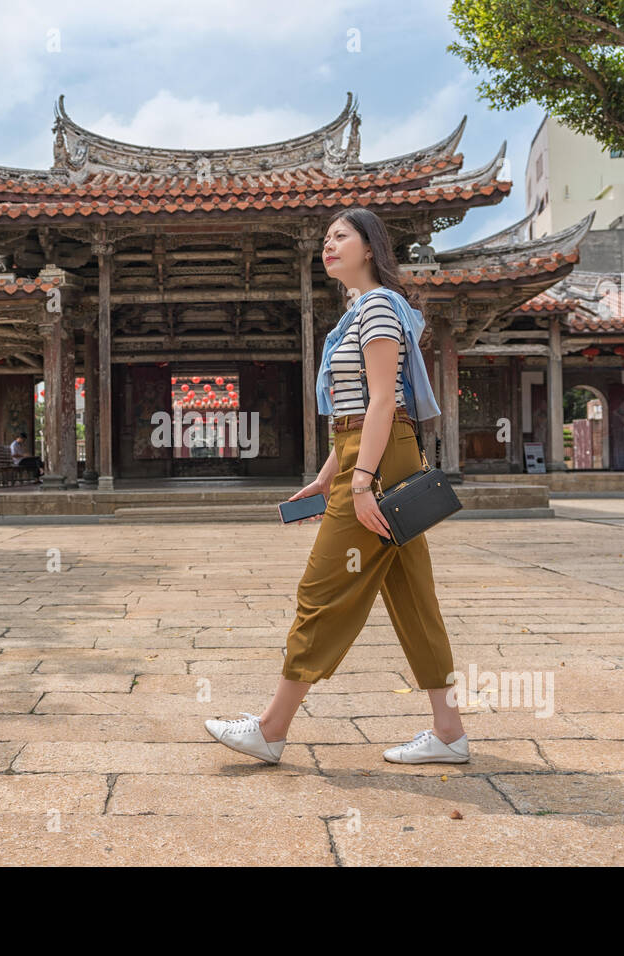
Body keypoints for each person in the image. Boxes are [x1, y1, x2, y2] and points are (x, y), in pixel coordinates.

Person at [205, 207, 467, 766]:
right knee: (413, 596)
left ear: (369, 247)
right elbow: (357, 415)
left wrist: (363, 483)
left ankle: (271, 729)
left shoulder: (375, 308)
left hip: (379, 457)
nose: (328, 245)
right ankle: (450, 733)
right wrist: (328, 477)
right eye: (324, 238)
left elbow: (381, 401)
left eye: (340, 236)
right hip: (369, 452)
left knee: (322, 587)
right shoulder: (359, 312)